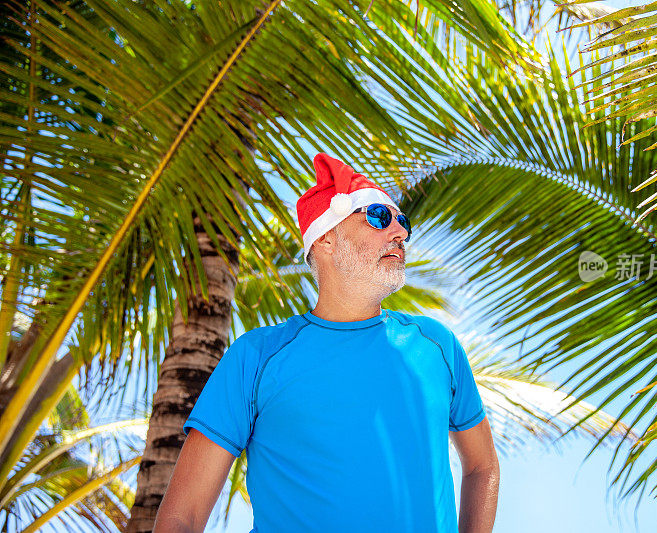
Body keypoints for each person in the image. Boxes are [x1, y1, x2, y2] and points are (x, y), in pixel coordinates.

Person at [153, 153, 500, 532]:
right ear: (326, 239)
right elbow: (181, 518)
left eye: (402, 221)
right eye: (378, 218)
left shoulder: (438, 346)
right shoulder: (256, 357)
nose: (399, 232)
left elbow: (483, 467)